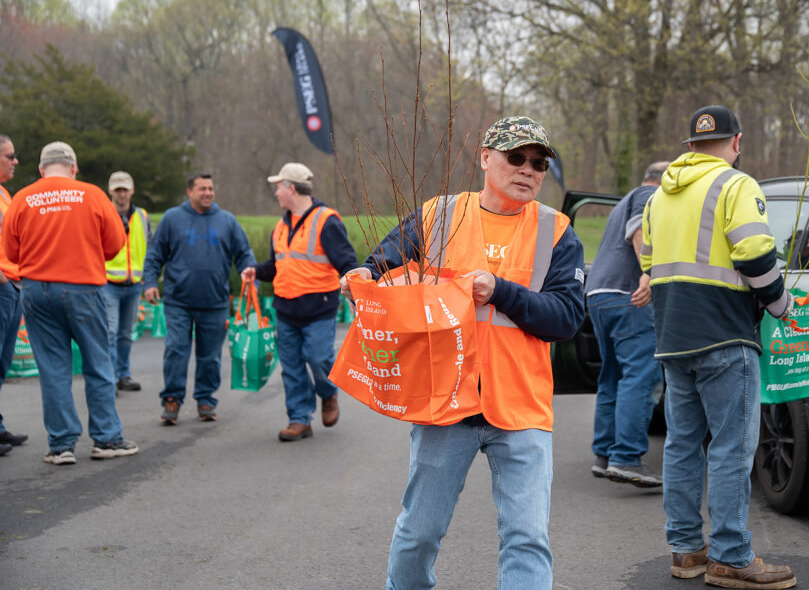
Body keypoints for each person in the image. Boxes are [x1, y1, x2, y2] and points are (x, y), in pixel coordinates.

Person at [341, 116, 585, 590]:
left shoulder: (557, 231)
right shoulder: (439, 215)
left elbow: (566, 319)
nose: (528, 170)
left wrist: (501, 291)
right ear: (485, 157)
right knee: (419, 533)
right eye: (516, 157)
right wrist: (363, 278)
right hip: (444, 406)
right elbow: (381, 265)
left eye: (538, 163)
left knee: (527, 537)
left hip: (521, 408)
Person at [641, 106, 797, 589]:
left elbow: (649, 262)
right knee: (731, 448)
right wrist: (780, 303)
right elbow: (753, 253)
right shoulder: (736, 185)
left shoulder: (658, 198)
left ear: (690, 147)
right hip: (726, 334)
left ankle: (687, 550)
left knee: (683, 445)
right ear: (737, 141)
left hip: (673, 337)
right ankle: (731, 556)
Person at [2, 141, 137, 465]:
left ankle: (61, 445)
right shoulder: (91, 195)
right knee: (98, 363)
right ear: (74, 167)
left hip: (35, 290)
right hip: (82, 288)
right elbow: (116, 243)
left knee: (53, 369)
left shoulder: (22, 198)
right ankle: (106, 438)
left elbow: (10, 251)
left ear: (41, 169)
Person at [240, 163, 358, 441]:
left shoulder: (326, 221)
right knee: (291, 368)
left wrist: (357, 292)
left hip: (319, 308)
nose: (276, 193)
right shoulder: (281, 225)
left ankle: (328, 393)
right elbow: (278, 264)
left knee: (319, 359)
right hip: (286, 309)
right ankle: (299, 419)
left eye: (278, 187)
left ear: (291, 188)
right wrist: (257, 270)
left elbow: (347, 262)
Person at [143, 173, 254, 425]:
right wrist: (149, 282)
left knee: (210, 356)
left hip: (215, 302)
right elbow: (154, 255)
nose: (208, 193)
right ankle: (171, 399)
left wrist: (251, 278)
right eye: (202, 188)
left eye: (211, 189)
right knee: (175, 350)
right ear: (189, 192)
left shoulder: (226, 221)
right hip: (178, 301)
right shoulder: (173, 219)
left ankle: (205, 399)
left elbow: (244, 253)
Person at [586, 161, 668, 488]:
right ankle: (628, 458)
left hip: (597, 295)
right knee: (642, 374)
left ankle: (604, 454)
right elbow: (638, 232)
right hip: (629, 294)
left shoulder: (623, 200)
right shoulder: (649, 195)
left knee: (613, 375)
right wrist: (649, 271)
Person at [104, 171, 150, 392]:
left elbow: (150, 247)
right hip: (109, 282)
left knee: (126, 333)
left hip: (134, 283)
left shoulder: (142, 215)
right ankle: (111, 377)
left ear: (131, 191)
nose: (121, 194)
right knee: (110, 332)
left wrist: (148, 279)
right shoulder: (104, 213)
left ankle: (123, 374)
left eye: (125, 189)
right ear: (111, 191)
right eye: (117, 190)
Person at [0, 134, 28, 457]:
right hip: (3, 286)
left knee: (2, 363)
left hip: (12, 286)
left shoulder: (5, 194)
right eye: (10, 155)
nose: (15, 161)